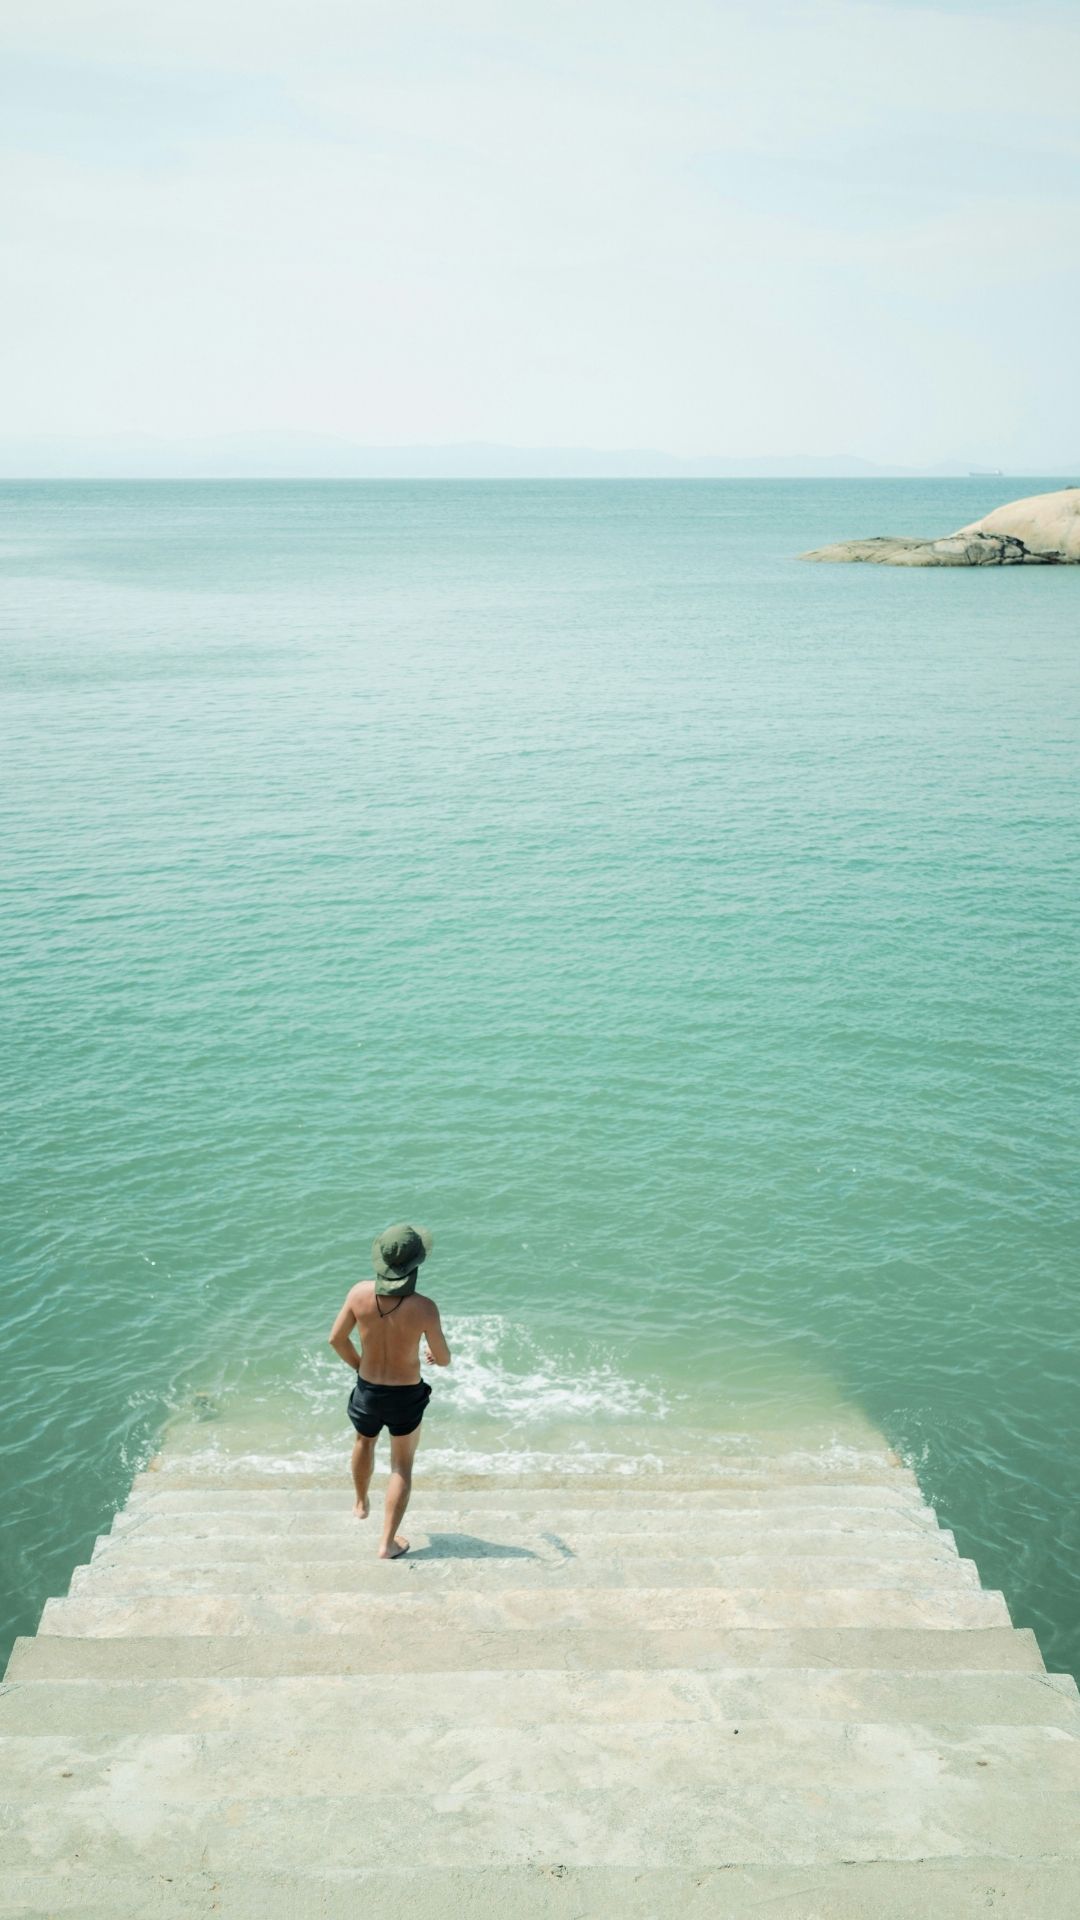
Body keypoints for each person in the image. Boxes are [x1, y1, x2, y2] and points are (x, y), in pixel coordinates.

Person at [328, 1222, 451, 1559]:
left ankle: (360, 1503)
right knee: (401, 1466)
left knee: (364, 1441)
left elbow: (336, 1339)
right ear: (416, 1263)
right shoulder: (424, 1308)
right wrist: (432, 1355)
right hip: (405, 1396)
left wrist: (359, 1366)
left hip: (368, 1390)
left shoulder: (358, 1294)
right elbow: (443, 1359)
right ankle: (387, 1544)